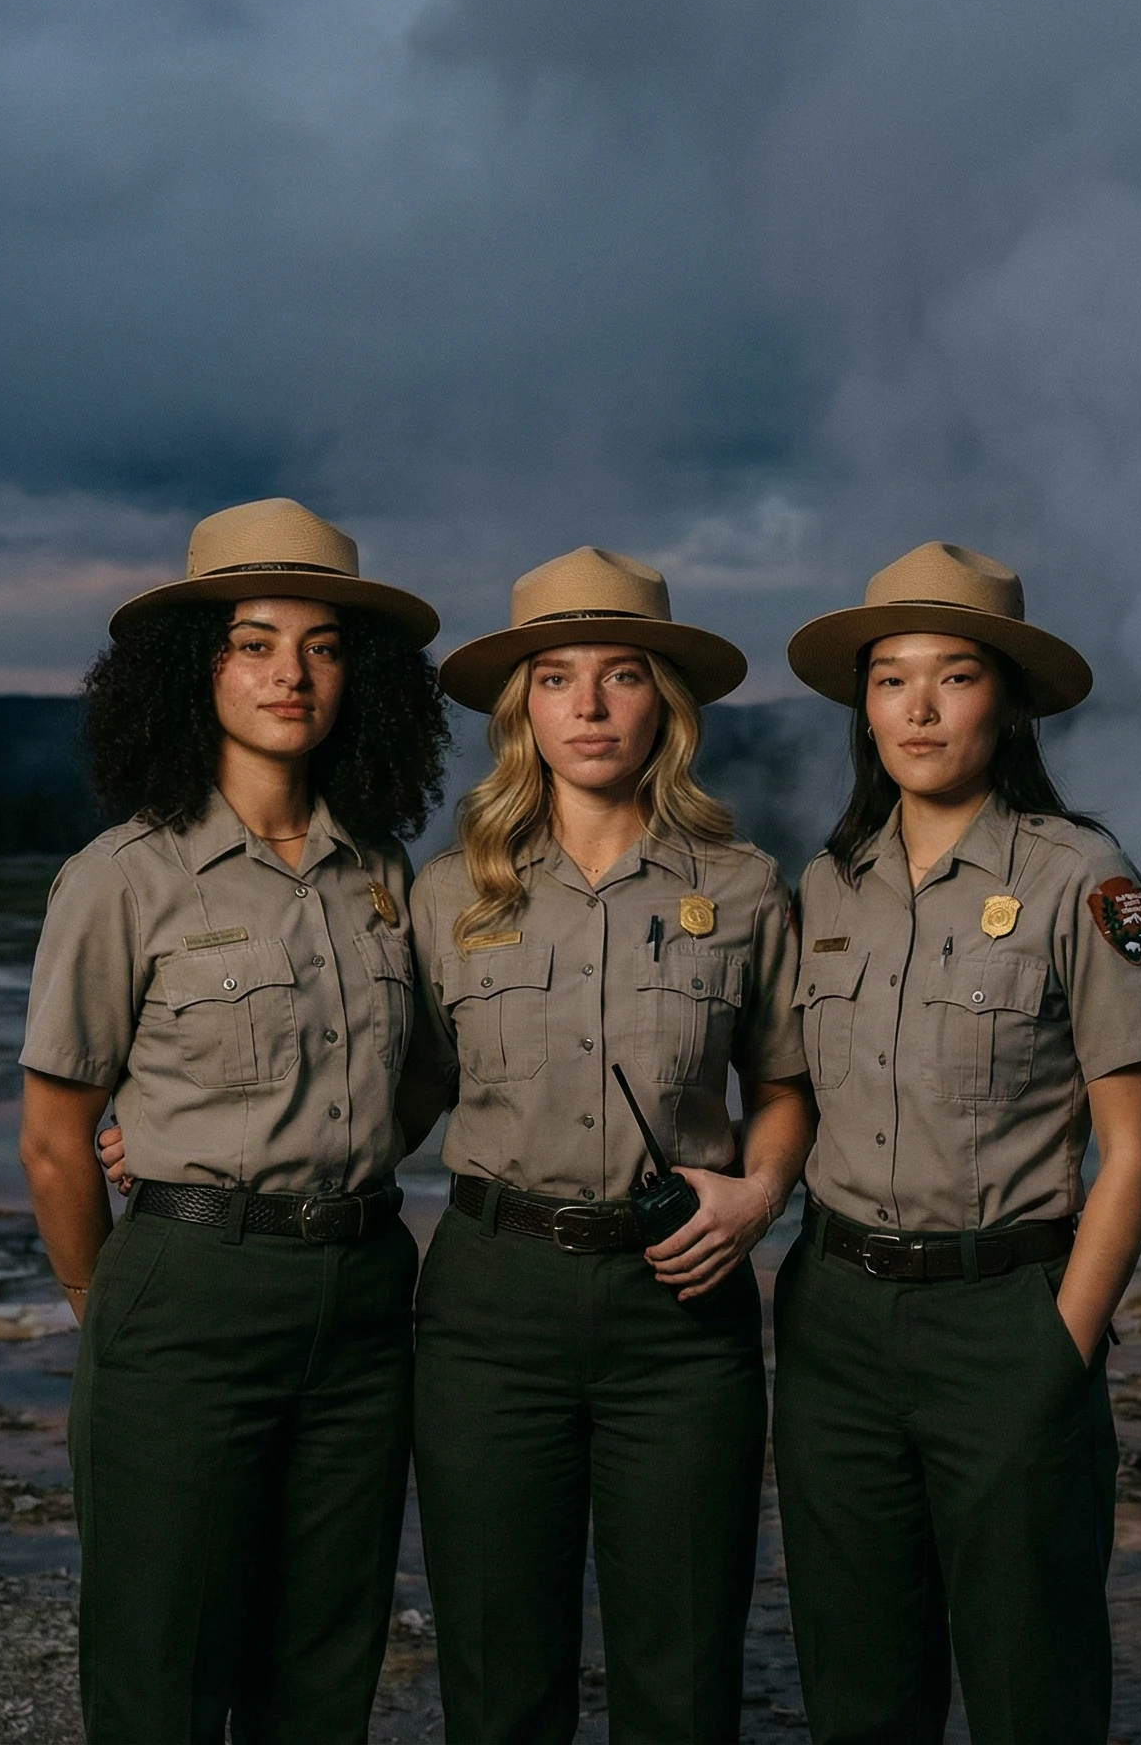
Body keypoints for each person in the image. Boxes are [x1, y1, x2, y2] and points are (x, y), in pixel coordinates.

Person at [15, 497, 448, 1744]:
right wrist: (126, 1318)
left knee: (323, 1675)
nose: (290, 674)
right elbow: (56, 1141)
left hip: (364, 1298)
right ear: (192, 668)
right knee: (161, 1673)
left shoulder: (381, 873)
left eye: (320, 647)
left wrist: (333, 1150)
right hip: (186, 1297)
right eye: (253, 642)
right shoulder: (124, 876)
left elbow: (418, 1073)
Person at [401, 546, 815, 1744]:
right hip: (491, 1307)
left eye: (621, 675)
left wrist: (761, 1193)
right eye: (557, 677)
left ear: (664, 705)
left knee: (683, 1677)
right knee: (496, 1674)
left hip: (679, 1311)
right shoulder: (449, 896)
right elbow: (392, 1097)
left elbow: (783, 1083)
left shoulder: (740, 889)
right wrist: (172, 1134)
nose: (588, 705)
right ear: (521, 708)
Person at [772, 541, 1141, 1744]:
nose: (918, 706)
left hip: (1008, 1318)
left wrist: (1064, 1344)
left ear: (1005, 703)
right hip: (836, 1326)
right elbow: (792, 1101)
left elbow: (1136, 1150)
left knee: (1030, 1693)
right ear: (865, 706)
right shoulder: (828, 886)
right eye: (891, 677)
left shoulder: (1081, 879)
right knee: (857, 1694)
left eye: (952, 675)